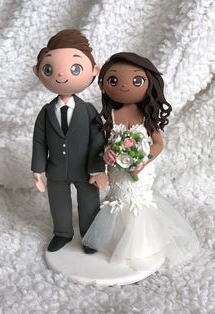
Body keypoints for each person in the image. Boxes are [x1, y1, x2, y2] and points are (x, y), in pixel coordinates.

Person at [82, 52, 200, 270]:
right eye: (113, 80)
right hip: (117, 172)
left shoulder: (147, 119)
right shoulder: (110, 119)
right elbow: (103, 144)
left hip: (140, 170)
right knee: (119, 199)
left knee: (137, 201)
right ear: (103, 85)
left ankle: (141, 244)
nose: (125, 86)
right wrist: (107, 153)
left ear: (150, 84)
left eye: (137, 80)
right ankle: (117, 240)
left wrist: (144, 159)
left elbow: (158, 144)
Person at [31, 29, 107, 253]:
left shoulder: (88, 111)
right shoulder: (46, 112)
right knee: (58, 204)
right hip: (55, 171)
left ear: (94, 70)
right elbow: (39, 140)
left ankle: (90, 235)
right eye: (48, 69)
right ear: (38, 72)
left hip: (85, 170)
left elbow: (97, 141)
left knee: (89, 203)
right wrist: (37, 168)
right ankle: (62, 232)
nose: (61, 76)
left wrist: (97, 169)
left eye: (76, 68)